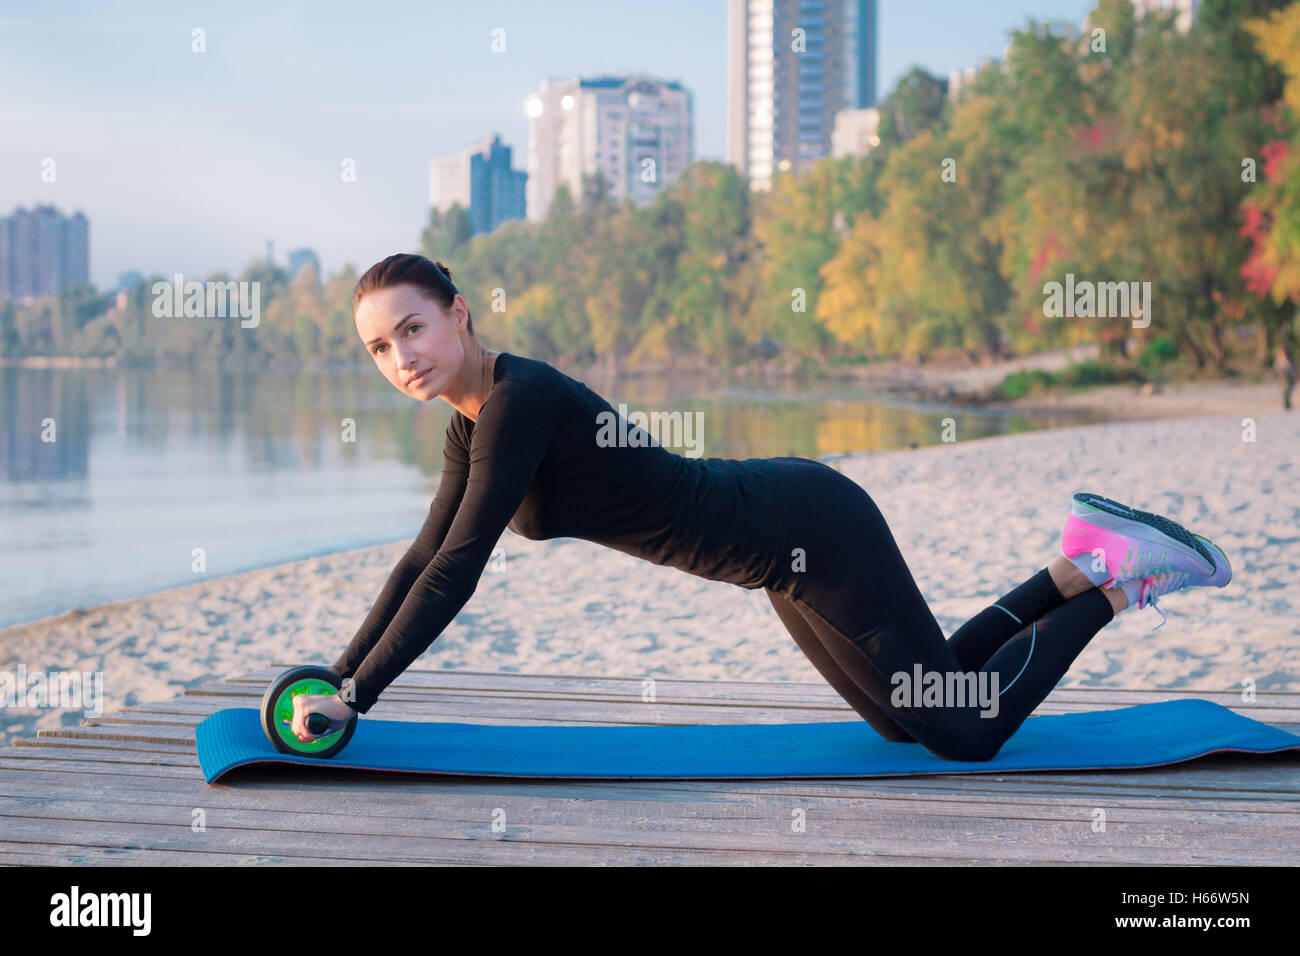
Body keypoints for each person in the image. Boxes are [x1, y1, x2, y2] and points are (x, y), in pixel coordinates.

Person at [291, 253, 1232, 762]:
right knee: (912, 714)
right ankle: (1072, 564)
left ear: (459, 313)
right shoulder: (472, 422)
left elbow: (461, 568)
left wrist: (358, 699)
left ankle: (1117, 581)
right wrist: (335, 678)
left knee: (966, 734)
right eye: (379, 348)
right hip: (775, 558)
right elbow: (421, 558)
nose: (400, 357)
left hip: (806, 528)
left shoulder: (518, 404)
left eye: (411, 328)